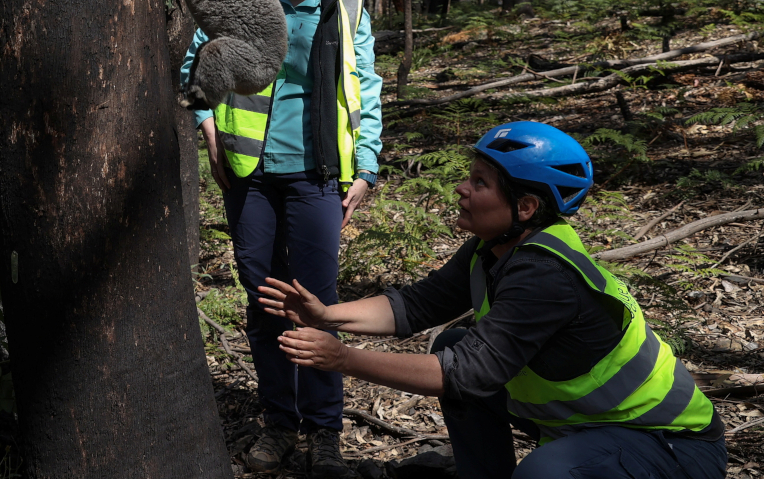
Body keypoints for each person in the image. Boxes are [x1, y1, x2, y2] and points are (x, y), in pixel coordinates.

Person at [258, 122, 727, 479]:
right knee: (456, 339)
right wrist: (327, 315)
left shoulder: (546, 275)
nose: (461, 190)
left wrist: (342, 358)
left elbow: (465, 374)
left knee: (543, 473)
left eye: (480, 183)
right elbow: (418, 305)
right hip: (588, 428)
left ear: (525, 207)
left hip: (671, 446)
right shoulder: (494, 247)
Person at [181, 0, 383, 478]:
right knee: (264, 301)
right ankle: (278, 424)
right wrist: (208, 129)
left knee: (317, 306)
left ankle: (324, 431)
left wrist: (366, 168)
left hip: (318, 176)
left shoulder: (346, 10)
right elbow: (201, 56)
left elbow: (365, 90)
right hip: (251, 176)